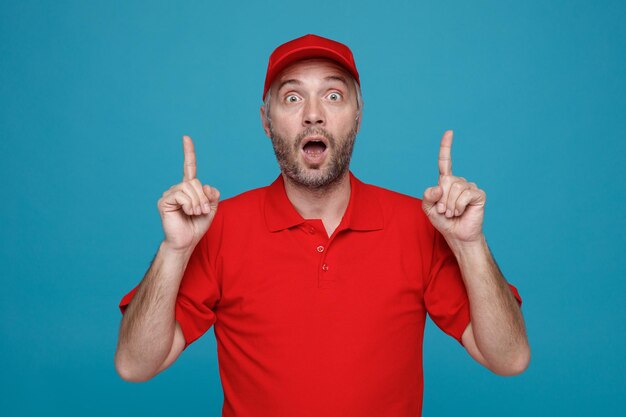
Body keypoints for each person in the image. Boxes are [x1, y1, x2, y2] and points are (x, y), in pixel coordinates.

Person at [114, 34, 530, 417]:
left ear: (358, 115)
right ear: (266, 120)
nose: (313, 115)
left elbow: (508, 358)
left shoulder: (419, 224)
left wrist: (470, 244)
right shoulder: (218, 227)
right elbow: (135, 365)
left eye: (333, 95)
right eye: (293, 98)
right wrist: (175, 251)